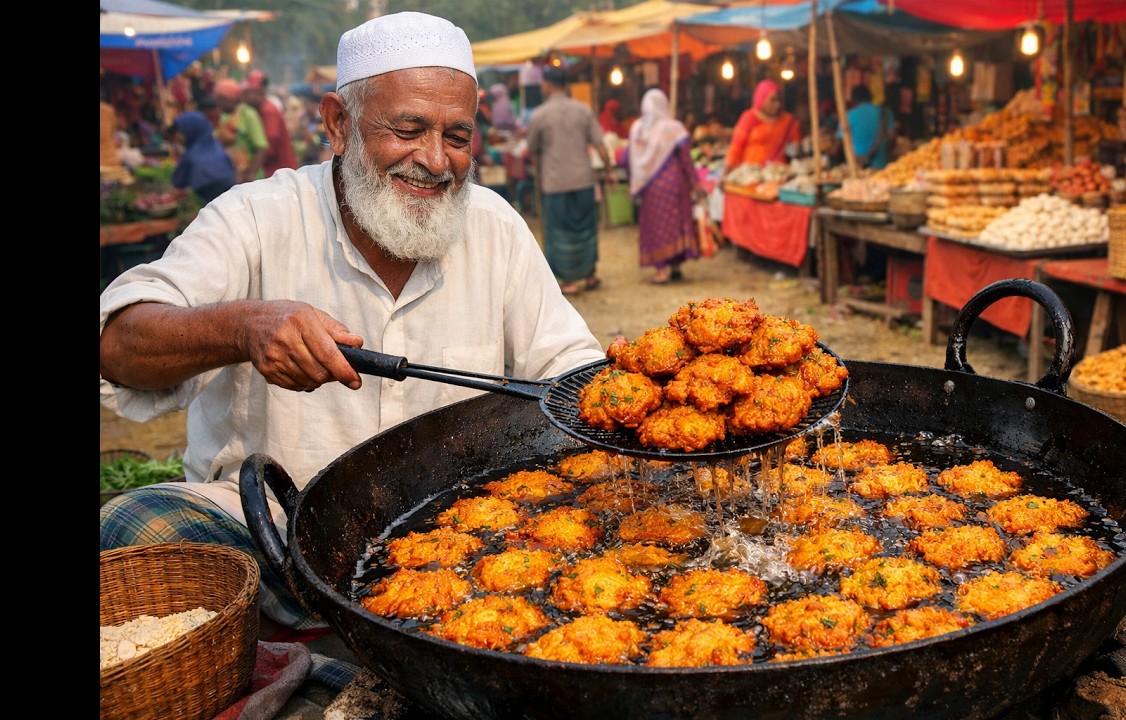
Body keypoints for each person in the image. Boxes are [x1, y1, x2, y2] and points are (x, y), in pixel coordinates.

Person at [99, 11, 605, 632]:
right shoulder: (254, 218)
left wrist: (624, 389)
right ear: (338, 123)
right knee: (131, 528)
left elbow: (569, 373)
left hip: (457, 540)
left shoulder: (494, 226)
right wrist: (243, 327)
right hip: (274, 534)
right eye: (408, 129)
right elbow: (117, 342)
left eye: (457, 136)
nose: (435, 161)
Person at [525, 65, 616, 295]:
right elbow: (600, 144)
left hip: (555, 182)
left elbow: (532, 147)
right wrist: (610, 172)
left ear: (547, 85)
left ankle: (567, 280)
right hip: (583, 179)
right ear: (566, 85)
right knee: (586, 229)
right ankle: (590, 274)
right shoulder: (583, 110)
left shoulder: (539, 115)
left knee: (559, 232)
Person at [624, 88, 705, 285]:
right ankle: (675, 266)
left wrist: (633, 182)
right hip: (674, 184)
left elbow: (628, 159)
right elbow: (686, 159)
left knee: (657, 227)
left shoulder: (637, 129)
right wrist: (696, 184)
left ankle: (662, 270)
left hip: (650, 187)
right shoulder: (674, 128)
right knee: (676, 224)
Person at [723, 79, 801, 174]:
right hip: (750, 173)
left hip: (779, 173)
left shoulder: (788, 121)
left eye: (779, 100)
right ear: (762, 99)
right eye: (773, 100)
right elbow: (736, 147)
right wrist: (728, 169)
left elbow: (797, 146)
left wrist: (795, 148)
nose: (777, 104)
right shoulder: (749, 118)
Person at [167, 110, 237, 205]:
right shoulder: (215, 146)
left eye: (180, 132)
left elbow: (178, 182)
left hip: (210, 195)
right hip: (230, 187)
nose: (178, 136)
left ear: (190, 131)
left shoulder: (192, 154)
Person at [242, 70, 299, 178]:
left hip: (280, 172)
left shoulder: (268, 111)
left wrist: (250, 165)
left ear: (261, 92)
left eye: (251, 92)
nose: (247, 97)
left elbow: (270, 147)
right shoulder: (257, 110)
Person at [212, 78, 269, 184]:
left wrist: (251, 173)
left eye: (222, 99)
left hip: (249, 176)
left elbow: (261, 147)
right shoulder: (224, 116)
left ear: (232, 98)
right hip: (232, 175)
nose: (219, 103)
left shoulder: (249, 114)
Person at [843, 84, 895, 170]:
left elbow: (842, 142)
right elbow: (891, 138)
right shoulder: (886, 113)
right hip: (881, 167)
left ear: (853, 100)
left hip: (856, 167)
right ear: (871, 97)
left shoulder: (848, 116)